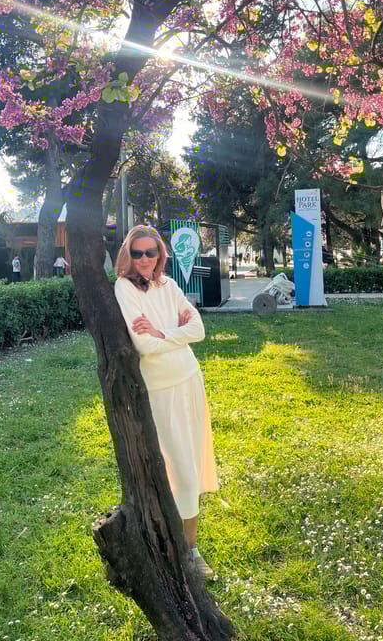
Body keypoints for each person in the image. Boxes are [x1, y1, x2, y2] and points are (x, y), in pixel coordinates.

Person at [114, 225, 219, 579]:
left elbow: (199, 330)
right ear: (128, 255)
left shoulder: (169, 285)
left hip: (189, 380)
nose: (145, 259)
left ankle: (190, 548)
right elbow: (143, 346)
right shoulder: (124, 288)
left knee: (192, 464)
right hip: (161, 389)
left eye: (151, 252)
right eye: (138, 253)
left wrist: (161, 332)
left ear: (160, 254)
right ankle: (182, 550)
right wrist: (175, 334)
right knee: (179, 470)